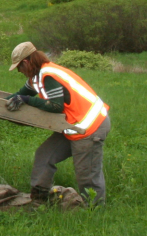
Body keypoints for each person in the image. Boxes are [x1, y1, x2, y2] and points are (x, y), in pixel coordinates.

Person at [6, 42, 111, 205]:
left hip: (90, 128)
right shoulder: (36, 76)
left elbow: (56, 106)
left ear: (26, 63)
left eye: (19, 67)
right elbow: (20, 94)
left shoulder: (49, 76)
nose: (19, 72)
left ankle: (95, 210)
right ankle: (39, 200)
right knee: (45, 155)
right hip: (72, 127)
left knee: (87, 174)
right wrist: (1, 103)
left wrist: (26, 100)